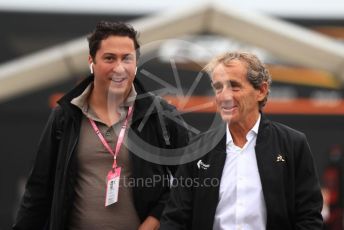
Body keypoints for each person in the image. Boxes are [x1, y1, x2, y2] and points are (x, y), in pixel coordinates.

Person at [13, 21, 189, 230]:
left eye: (127, 58)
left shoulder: (160, 115)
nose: (119, 68)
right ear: (91, 61)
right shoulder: (66, 115)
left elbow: (188, 180)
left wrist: (153, 222)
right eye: (109, 58)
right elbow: (38, 190)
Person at [160, 51, 323, 230]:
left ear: (261, 91)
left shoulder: (292, 144)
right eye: (218, 87)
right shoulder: (197, 149)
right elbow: (174, 219)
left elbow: (309, 218)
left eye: (234, 86)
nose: (224, 96)